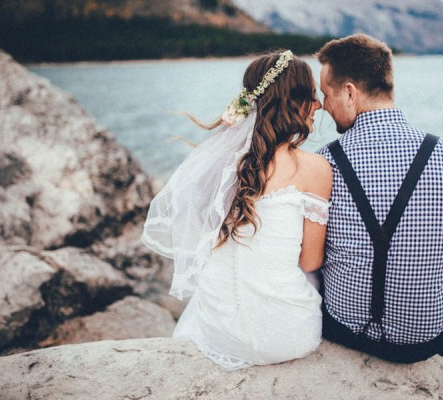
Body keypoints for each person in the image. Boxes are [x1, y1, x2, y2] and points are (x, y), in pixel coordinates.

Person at [142, 50, 332, 370]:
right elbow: (311, 261)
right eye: (312, 96)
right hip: (289, 335)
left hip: (221, 332)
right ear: (292, 101)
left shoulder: (223, 163)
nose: (319, 105)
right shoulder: (315, 168)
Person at [316, 34, 443, 363]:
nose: (322, 105)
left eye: (326, 93)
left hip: (342, 328)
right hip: (423, 342)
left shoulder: (324, 162)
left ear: (350, 92)